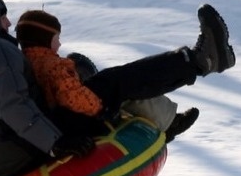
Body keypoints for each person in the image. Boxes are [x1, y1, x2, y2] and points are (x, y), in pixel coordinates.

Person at [0, 0, 235, 176]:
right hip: (32, 147)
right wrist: (56, 143)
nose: (7, 21)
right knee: (110, 84)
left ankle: (167, 116)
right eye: (1, 12)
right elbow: (13, 105)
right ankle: (202, 60)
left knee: (88, 84)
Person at [15, 11, 200, 142]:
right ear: (44, 40)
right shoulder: (53, 65)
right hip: (77, 121)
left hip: (58, 122)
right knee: (123, 84)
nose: (60, 43)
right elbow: (71, 96)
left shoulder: (27, 63)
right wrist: (100, 109)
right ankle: (171, 121)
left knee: (118, 87)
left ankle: (170, 121)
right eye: (56, 38)